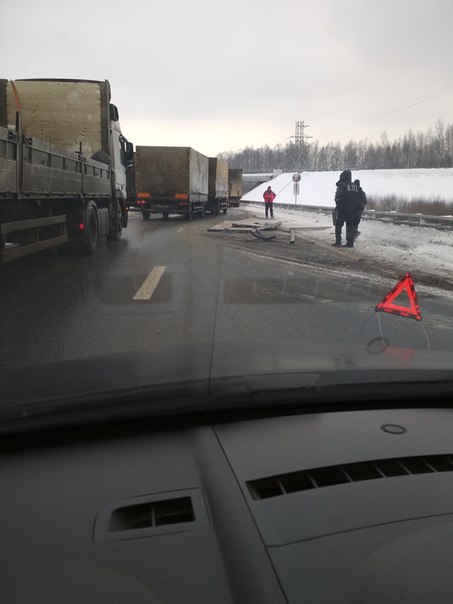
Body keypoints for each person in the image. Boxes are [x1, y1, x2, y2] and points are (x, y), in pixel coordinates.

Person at [333, 170, 363, 248]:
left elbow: (338, 197)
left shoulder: (342, 185)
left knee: (338, 225)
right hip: (352, 209)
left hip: (342, 208)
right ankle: (350, 243)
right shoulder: (355, 186)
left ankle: (338, 241)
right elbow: (358, 198)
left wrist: (338, 204)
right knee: (350, 226)